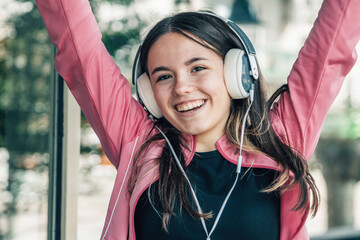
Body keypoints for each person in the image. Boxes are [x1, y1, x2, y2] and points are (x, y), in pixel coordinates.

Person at [35, 0, 360, 239]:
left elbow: (331, 47)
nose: (181, 88)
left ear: (238, 74)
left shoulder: (282, 136)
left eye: (198, 68)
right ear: (149, 94)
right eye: (163, 77)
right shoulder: (138, 144)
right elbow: (78, 49)